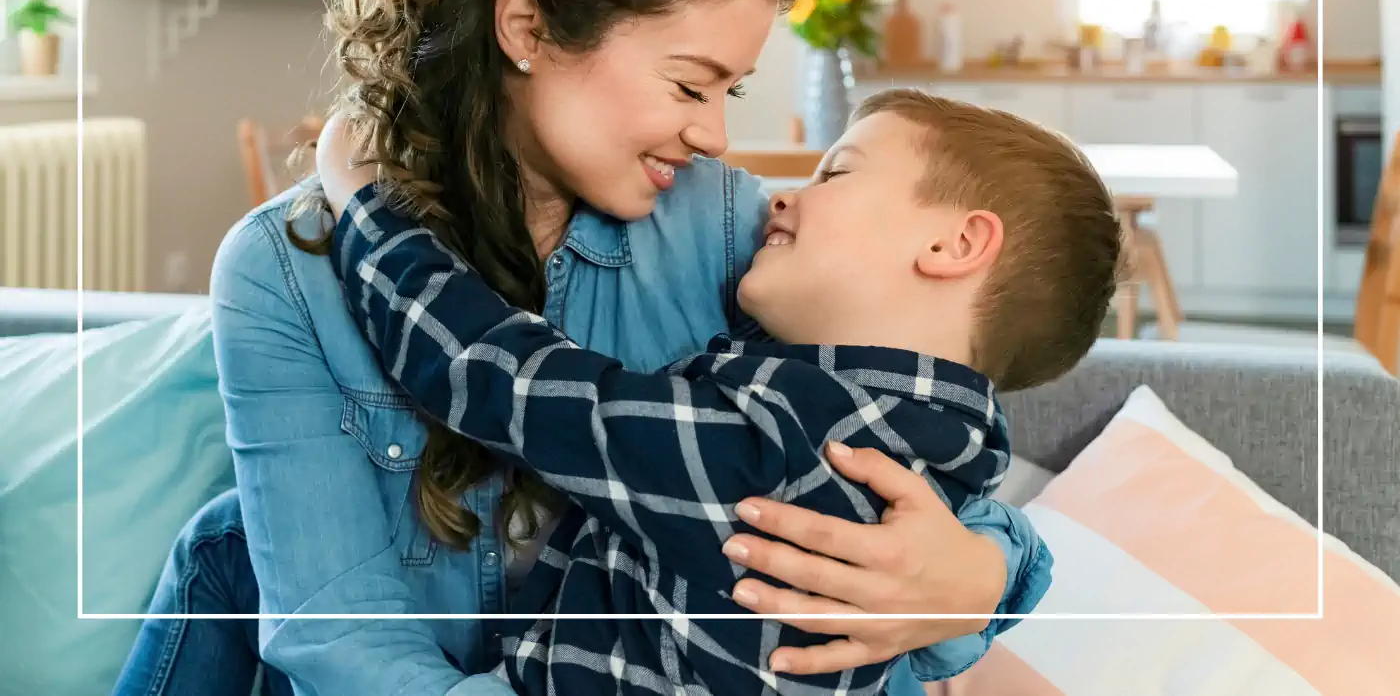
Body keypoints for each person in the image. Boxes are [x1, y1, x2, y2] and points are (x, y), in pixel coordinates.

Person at [112, 0, 1048, 696]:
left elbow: (901, 455)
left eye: (733, 92)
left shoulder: (734, 235)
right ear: (527, 26)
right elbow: (339, 637)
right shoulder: (282, 270)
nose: (716, 135)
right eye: (689, 86)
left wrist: (978, 579)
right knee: (221, 544)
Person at [314, 88, 1121, 695]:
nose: (783, 194)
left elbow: (501, 377)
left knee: (222, 549)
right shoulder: (934, 447)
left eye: (836, 172)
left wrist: (364, 207)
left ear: (954, 242)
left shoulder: (784, 443)